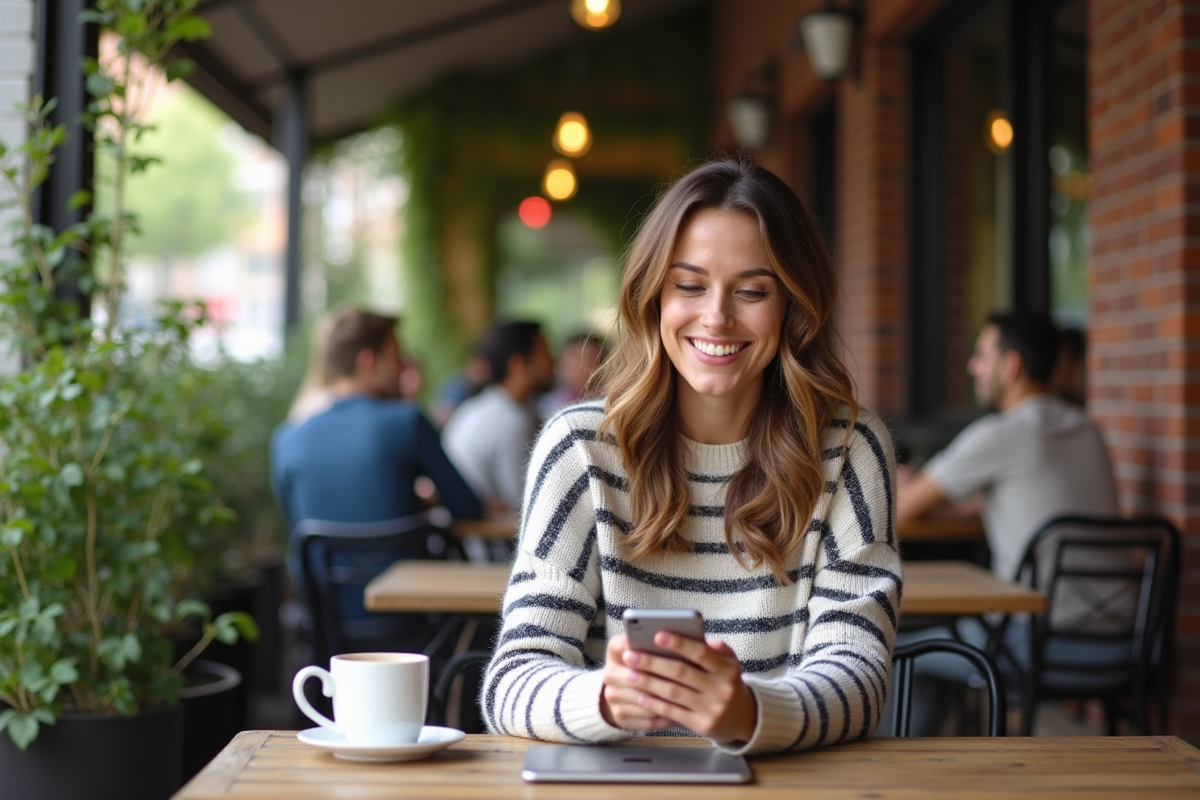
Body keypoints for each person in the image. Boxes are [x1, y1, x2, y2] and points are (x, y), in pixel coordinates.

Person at [483, 159, 899, 755]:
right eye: (689, 285)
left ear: (794, 308)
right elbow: (512, 679)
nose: (716, 316)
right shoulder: (580, 448)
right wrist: (603, 699)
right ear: (653, 296)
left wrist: (748, 711)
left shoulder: (850, 450)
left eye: (752, 291)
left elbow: (860, 674)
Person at [896, 312, 1117, 582]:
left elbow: (900, 508)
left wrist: (905, 484)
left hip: (1030, 617)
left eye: (982, 357)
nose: (972, 366)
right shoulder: (1087, 428)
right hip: (1121, 618)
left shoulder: (1000, 435)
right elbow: (1021, 501)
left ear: (1011, 366)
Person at [271, 307, 482, 531]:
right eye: (396, 356)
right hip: (408, 566)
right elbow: (467, 508)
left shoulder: (287, 439)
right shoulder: (407, 422)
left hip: (323, 567)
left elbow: (299, 525)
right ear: (368, 362)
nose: (403, 367)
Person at [442, 320, 556, 511]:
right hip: (490, 538)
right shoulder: (512, 422)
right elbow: (527, 503)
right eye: (545, 354)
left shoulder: (473, 409)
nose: (553, 361)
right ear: (518, 365)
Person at [538, 331, 608, 419]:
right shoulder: (547, 403)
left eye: (586, 362)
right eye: (571, 361)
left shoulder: (609, 402)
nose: (577, 369)